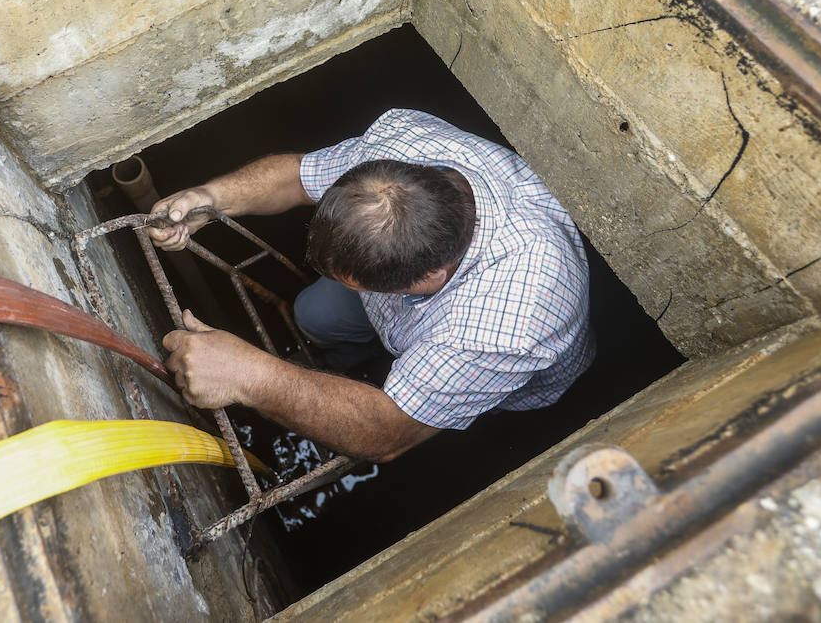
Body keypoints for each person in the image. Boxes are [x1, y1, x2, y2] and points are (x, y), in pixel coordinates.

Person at [151, 108, 594, 464]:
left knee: (405, 411)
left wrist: (250, 375)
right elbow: (295, 176)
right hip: (421, 314)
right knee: (314, 313)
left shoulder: (512, 324)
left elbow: (386, 434)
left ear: (428, 278)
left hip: (497, 372)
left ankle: (372, 382)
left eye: (355, 282)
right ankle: (346, 367)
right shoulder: (400, 151)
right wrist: (209, 197)